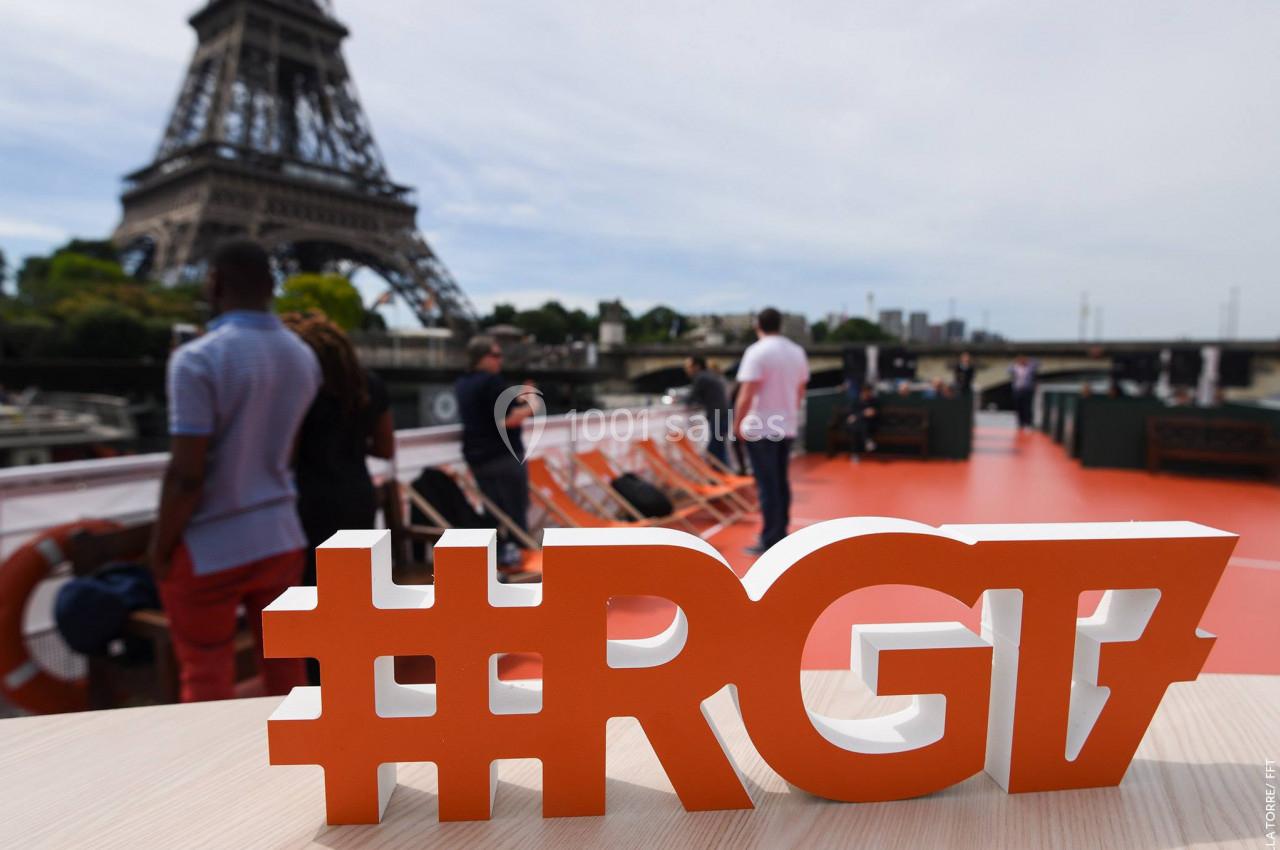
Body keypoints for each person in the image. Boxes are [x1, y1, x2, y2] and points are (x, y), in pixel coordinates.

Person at [146, 240, 321, 703]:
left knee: (205, 677)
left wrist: (161, 549)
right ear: (271, 285)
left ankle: (214, 772)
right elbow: (287, 450)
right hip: (282, 537)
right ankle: (301, 761)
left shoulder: (196, 360)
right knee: (288, 669)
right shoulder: (304, 358)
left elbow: (187, 475)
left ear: (216, 283)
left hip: (210, 546)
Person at [282, 312, 394, 683]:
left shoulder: (301, 387)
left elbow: (286, 452)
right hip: (358, 497)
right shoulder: (371, 386)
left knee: (315, 600)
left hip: (310, 503)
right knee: (360, 596)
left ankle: (322, 685)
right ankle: (365, 678)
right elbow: (384, 447)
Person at [455, 335, 538, 567]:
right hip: (502, 455)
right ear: (481, 358)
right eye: (495, 355)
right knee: (515, 513)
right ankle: (522, 561)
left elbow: (488, 414)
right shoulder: (491, 382)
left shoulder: (463, 384)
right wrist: (531, 403)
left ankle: (497, 560)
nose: (500, 360)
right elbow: (508, 420)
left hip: (477, 456)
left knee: (493, 512)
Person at [733, 308, 809, 555]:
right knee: (780, 481)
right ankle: (780, 532)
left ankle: (770, 539)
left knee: (767, 485)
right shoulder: (796, 352)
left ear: (758, 325)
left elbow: (747, 393)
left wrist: (737, 423)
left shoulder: (757, 352)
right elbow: (800, 390)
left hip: (761, 427)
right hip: (785, 426)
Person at [685, 356, 731, 466]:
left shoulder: (701, 378)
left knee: (714, 449)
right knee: (719, 448)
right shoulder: (710, 376)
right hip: (723, 414)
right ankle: (724, 472)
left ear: (696, 366)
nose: (687, 370)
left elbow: (691, 398)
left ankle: (720, 474)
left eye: (688, 367)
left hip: (717, 416)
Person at [845, 384, 879, 456]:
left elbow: (874, 413)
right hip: (854, 424)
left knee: (857, 427)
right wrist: (863, 413)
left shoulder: (874, 401)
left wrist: (858, 416)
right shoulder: (855, 401)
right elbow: (850, 415)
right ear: (861, 392)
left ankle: (855, 454)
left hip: (868, 424)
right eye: (865, 392)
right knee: (856, 425)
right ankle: (867, 441)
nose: (867, 394)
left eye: (869, 392)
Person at [1009, 354, 1037, 429]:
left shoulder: (1030, 367)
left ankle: (1028, 422)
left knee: (1027, 407)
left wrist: (1030, 360)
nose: (1022, 361)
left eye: (1024, 359)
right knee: (1018, 406)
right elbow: (1009, 370)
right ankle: (1020, 422)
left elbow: (1036, 363)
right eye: (1020, 359)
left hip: (1027, 389)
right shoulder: (1014, 367)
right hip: (1017, 389)